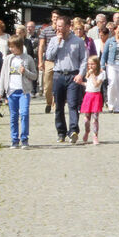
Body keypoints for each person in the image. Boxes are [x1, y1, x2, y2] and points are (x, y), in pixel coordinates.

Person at [46, 14, 88, 144]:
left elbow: (84, 59)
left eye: (61, 26)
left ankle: (73, 131)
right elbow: (49, 56)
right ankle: (61, 132)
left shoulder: (78, 41)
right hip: (58, 75)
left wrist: (81, 74)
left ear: (68, 27)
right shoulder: (54, 40)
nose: (58, 28)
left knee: (73, 104)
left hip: (73, 75)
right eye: (57, 26)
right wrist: (58, 43)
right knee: (58, 105)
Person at [0, 35, 37, 149]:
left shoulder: (28, 58)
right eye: (10, 47)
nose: (11, 49)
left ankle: (24, 139)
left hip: (24, 91)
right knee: (13, 116)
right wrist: (0, 92)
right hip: (11, 91)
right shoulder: (8, 59)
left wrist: (25, 72)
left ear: (19, 46)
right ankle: (14, 140)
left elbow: (34, 76)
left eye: (13, 47)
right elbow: (3, 76)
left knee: (24, 113)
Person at [100, 23, 119, 113]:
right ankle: (111, 104)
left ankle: (118, 107)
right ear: (114, 30)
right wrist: (102, 65)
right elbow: (104, 54)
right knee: (112, 83)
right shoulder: (109, 41)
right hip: (111, 65)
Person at [38, 10, 60, 114]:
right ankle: (48, 102)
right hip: (49, 61)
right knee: (47, 86)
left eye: (57, 17)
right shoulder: (45, 31)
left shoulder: (64, 31)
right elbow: (41, 46)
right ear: (52, 18)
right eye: (54, 17)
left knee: (58, 84)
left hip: (60, 61)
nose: (55, 19)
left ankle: (56, 104)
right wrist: (40, 61)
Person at [80, 55, 105, 145]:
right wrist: (81, 83)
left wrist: (93, 74)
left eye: (92, 64)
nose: (90, 66)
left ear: (97, 64)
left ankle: (95, 136)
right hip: (88, 95)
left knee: (95, 118)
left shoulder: (102, 73)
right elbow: (89, 84)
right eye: (89, 64)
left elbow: (96, 84)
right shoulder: (88, 73)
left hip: (96, 96)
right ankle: (87, 131)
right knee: (86, 118)